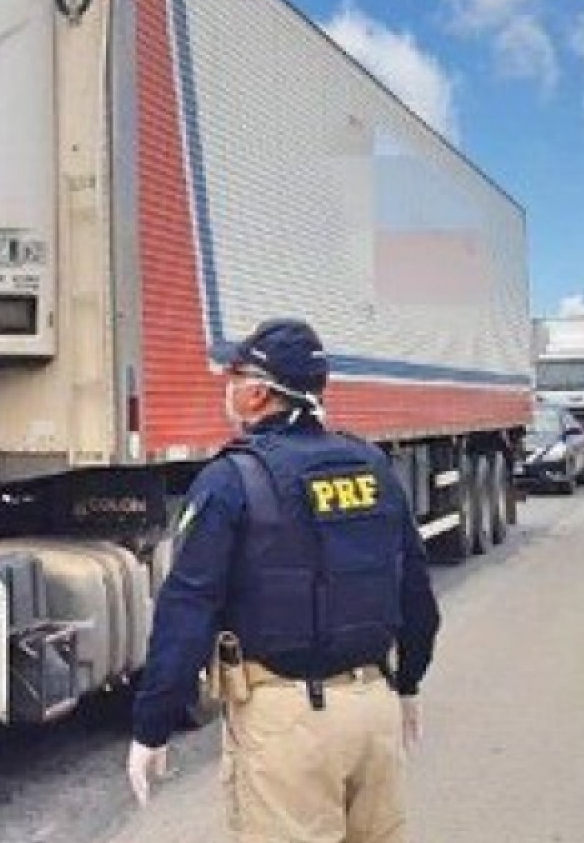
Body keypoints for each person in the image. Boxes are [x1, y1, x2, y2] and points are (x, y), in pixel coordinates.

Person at [125, 318, 440, 843]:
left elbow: (187, 609)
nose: (228, 390)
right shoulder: (373, 467)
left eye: (236, 378)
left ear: (257, 394)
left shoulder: (231, 480)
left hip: (288, 725)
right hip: (374, 710)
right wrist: (406, 684)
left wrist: (151, 727)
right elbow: (416, 595)